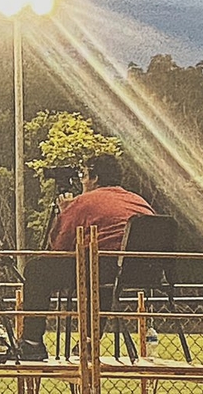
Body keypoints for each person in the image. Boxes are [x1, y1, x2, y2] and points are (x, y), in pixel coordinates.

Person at [18, 153, 155, 360]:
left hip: (102, 268)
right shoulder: (139, 202)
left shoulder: (85, 202)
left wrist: (64, 212)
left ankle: (31, 342)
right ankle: (89, 340)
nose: (82, 181)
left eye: (84, 176)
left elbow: (59, 247)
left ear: (95, 178)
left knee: (37, 269)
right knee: (102, 276)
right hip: (143, 270)